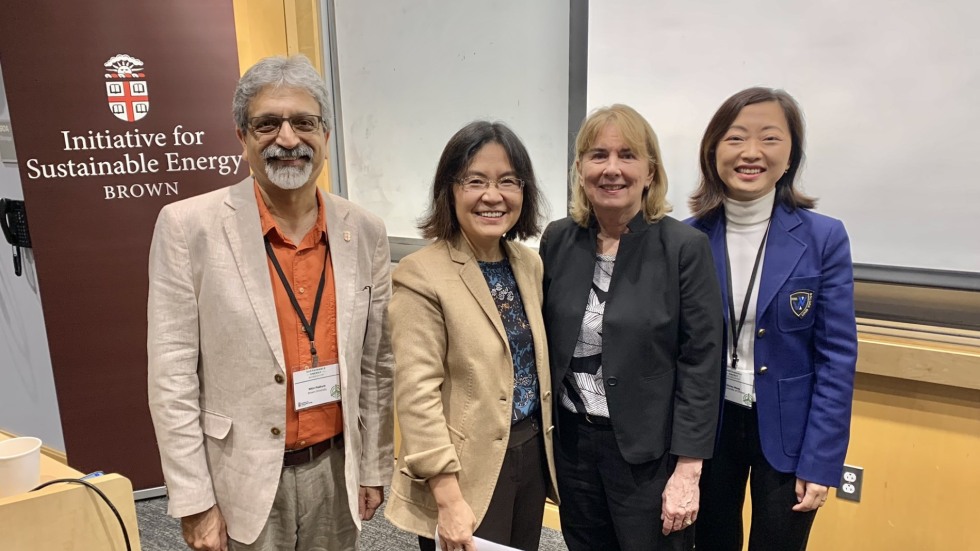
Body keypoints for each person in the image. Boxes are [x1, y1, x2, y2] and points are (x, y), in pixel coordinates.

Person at [147, 55, 394, 551]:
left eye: (304, 122)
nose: (287, 138)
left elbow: (376, 365)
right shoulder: (186, 227)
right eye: (267, 124)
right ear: (242, 138)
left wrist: (373, 465)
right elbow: (172, 376)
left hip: (334, 469)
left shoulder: (363, 230)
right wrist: (194, 500)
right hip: (239, 478)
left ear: (325, 135)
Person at [538, 104, 723, 551]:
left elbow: (701, 362)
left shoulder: (684, 247)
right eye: (598, 155)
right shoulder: (558, 239)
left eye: (628, 155)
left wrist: (688, 469)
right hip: (573, 445)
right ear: (580, 169)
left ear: (650, 170)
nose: (612, 169)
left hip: (649, 456)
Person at [687, 87, 858, 550]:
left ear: (790, 155)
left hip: (789, 433)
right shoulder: (686, 239)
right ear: (713, 151)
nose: (751, 152)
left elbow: (836, 359)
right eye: (736, 138)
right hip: (709, 427)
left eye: (769, 138)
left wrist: (821, 462)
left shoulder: (824, 238)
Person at [384, 121, 559, 551]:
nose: (492, 196)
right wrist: (447, 497)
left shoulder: (528, 264)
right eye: (475, 181)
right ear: (450, 190)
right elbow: (417, 394)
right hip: (464, 468)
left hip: (530, 452)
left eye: (507, 182)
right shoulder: (421, 274)